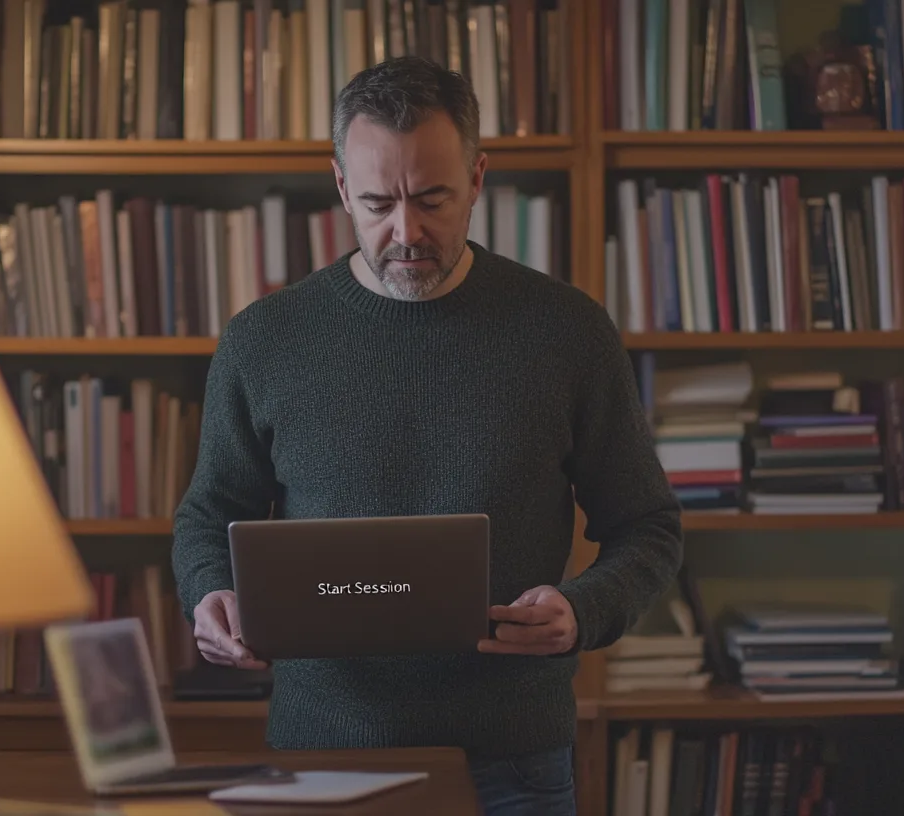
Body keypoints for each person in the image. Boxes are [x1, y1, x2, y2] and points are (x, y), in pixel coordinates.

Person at [171, 55, 682, 816]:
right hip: (322, 756)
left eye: (432, 199)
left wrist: (583, 610)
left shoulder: (567, 331)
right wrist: (210, 592)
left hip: (513, 763)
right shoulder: (263, 340)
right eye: (377, 203)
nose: (406, 232)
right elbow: (207, 515)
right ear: (341, 186)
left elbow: (648, 526)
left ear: (477, 178)